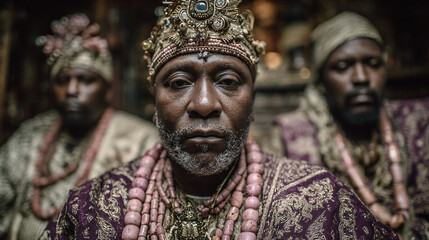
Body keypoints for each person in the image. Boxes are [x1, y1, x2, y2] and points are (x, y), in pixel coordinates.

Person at [41, 4, 397, 240]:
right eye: (179, 83)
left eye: (228, 82)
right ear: (154, 103)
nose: (205, 104)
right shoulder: (95, 208)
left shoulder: (318, 202)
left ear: (252, 101)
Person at [262, 12, 429, 239]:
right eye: (342, 66)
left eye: (372, 64)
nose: (361, 77)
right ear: (321, 81)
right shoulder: (286, 137)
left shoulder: (420, 120)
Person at [0, 13, 159, 239]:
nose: (72, 91)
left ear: (108, 89)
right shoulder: (30, 134)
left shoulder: (141, 140)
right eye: (63, 80)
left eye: (85, 80)